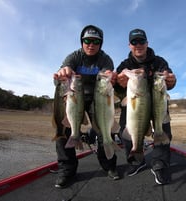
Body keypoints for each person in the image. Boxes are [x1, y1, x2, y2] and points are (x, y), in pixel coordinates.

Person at [53, 25, 119, 188]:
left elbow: (107, 80)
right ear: (82, 42)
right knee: (63, 128)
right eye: (87, 40)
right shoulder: (74, 57)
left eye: (96, 41)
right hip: (76, 98)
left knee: (105, 129)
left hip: (98, 99)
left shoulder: (105, 59)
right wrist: (61, 74)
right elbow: (58, 81)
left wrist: (111, 78)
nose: (91, 44)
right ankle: (67, 170)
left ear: (100, 44)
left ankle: (109, 166)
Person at [114, 28, 177, 185]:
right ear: (129, 45)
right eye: (134, 42)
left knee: (163, 128)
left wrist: (171, 81)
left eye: (141, 41)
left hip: (156, 103)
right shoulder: (124, 64)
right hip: (135, 105)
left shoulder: (159, 62)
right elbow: (116, 87)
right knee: (126, 130)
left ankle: (159, 164)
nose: (138, 45)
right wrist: (119, 85)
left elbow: (168, 80)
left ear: (147, 43)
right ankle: (136, 160)